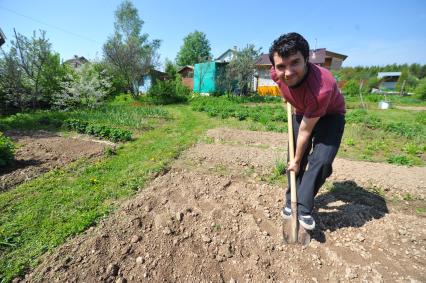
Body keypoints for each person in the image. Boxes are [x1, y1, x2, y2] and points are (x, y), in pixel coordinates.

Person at [269, 32, 346, 230]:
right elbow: (280, 82)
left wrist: (297, 160)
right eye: (281, 66)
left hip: (330, 115)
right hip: (302, 110)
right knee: (294, 158)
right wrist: (285, 95)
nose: (288, 72)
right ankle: (290, 201)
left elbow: (305, 132)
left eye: (295, 63)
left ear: (306, 60)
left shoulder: (322, 87)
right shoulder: (275, 72)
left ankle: (303, 206)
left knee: (321, 160)